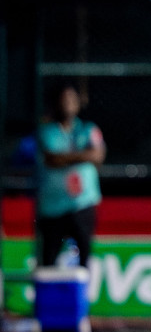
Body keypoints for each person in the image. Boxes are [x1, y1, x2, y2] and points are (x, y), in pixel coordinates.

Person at [36, 85, 105, 267]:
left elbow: (97, 155)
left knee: (84, 259)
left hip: (83, 203)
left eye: (71, 99)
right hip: (54, 206)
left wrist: (66, 157)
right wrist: (83, 156)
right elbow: (53, 159)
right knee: (49, 260)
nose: (67, 104)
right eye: (63, 99)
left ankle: (81, 295)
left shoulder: (88, 129)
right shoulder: (47, 131)